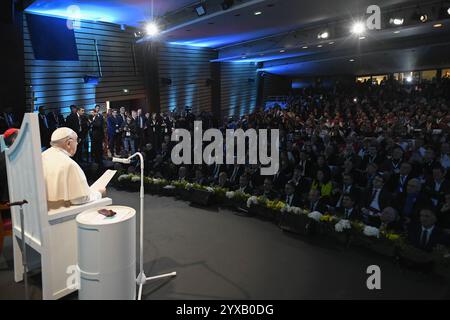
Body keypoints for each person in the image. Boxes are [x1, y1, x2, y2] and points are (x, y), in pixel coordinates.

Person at [41, 127, 106, 210]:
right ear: (68, 143)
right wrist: (99, 193)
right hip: (64, 215)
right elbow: (79, 199)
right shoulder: (69, 164)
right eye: (77, 141)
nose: (77, 144)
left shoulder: (42, 156)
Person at [90, 105, 104, 169]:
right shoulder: (91, 118)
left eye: (92, 112)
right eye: (91, 113)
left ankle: (99, 160)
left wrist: (91, 122)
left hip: (98, 136)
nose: (91, 114)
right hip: (93, 136)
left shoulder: (99, 117)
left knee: (98, 148)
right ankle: (95, 159)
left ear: (95, 112)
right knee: (94, 148)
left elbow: (99, 125)